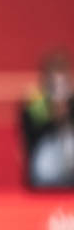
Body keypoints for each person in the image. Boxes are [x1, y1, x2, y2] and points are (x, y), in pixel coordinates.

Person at [21, 49, 74, 188]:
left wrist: (67, 112)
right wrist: (54, 116)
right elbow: (31, 138)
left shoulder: (71, 102)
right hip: (46, 162)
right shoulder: (35, 103)